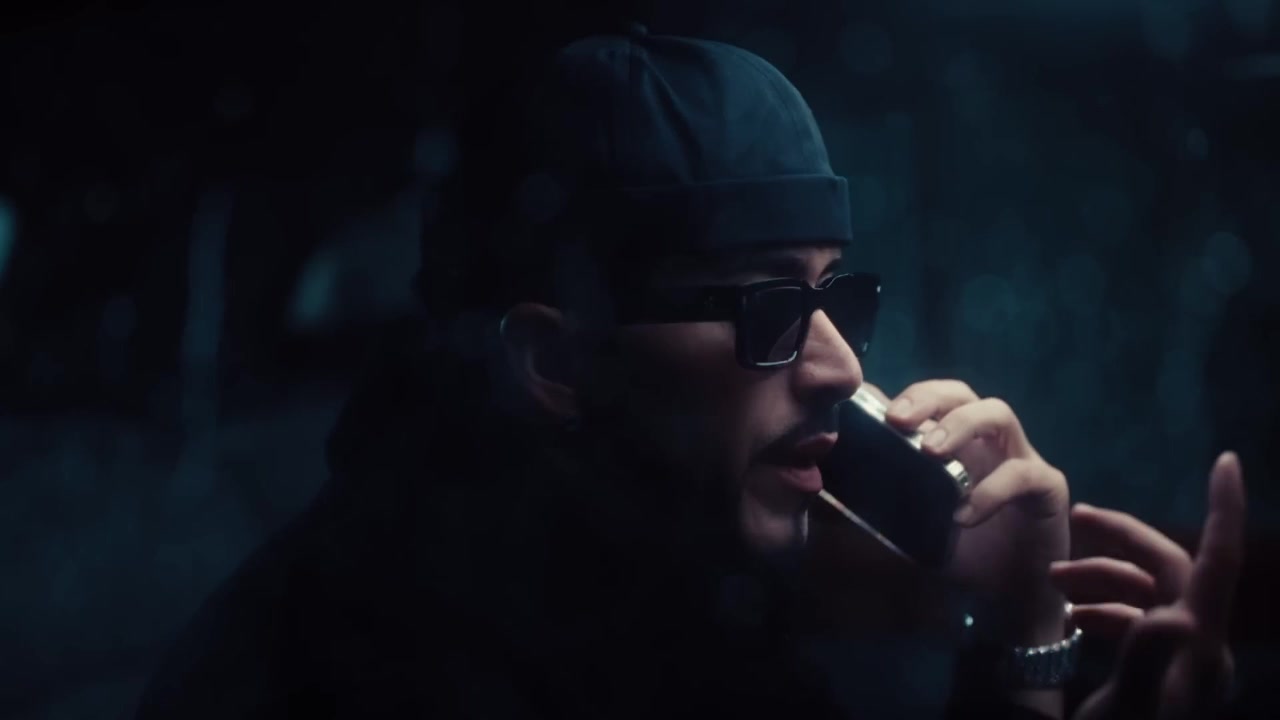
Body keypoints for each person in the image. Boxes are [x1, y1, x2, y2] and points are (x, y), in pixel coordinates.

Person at [134, 25, 1246, 720]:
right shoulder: (385, 662)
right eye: (768, 308)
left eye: (834, 296)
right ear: (557, 360)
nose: (838, 364)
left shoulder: (658, 585)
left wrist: (1022, 631)